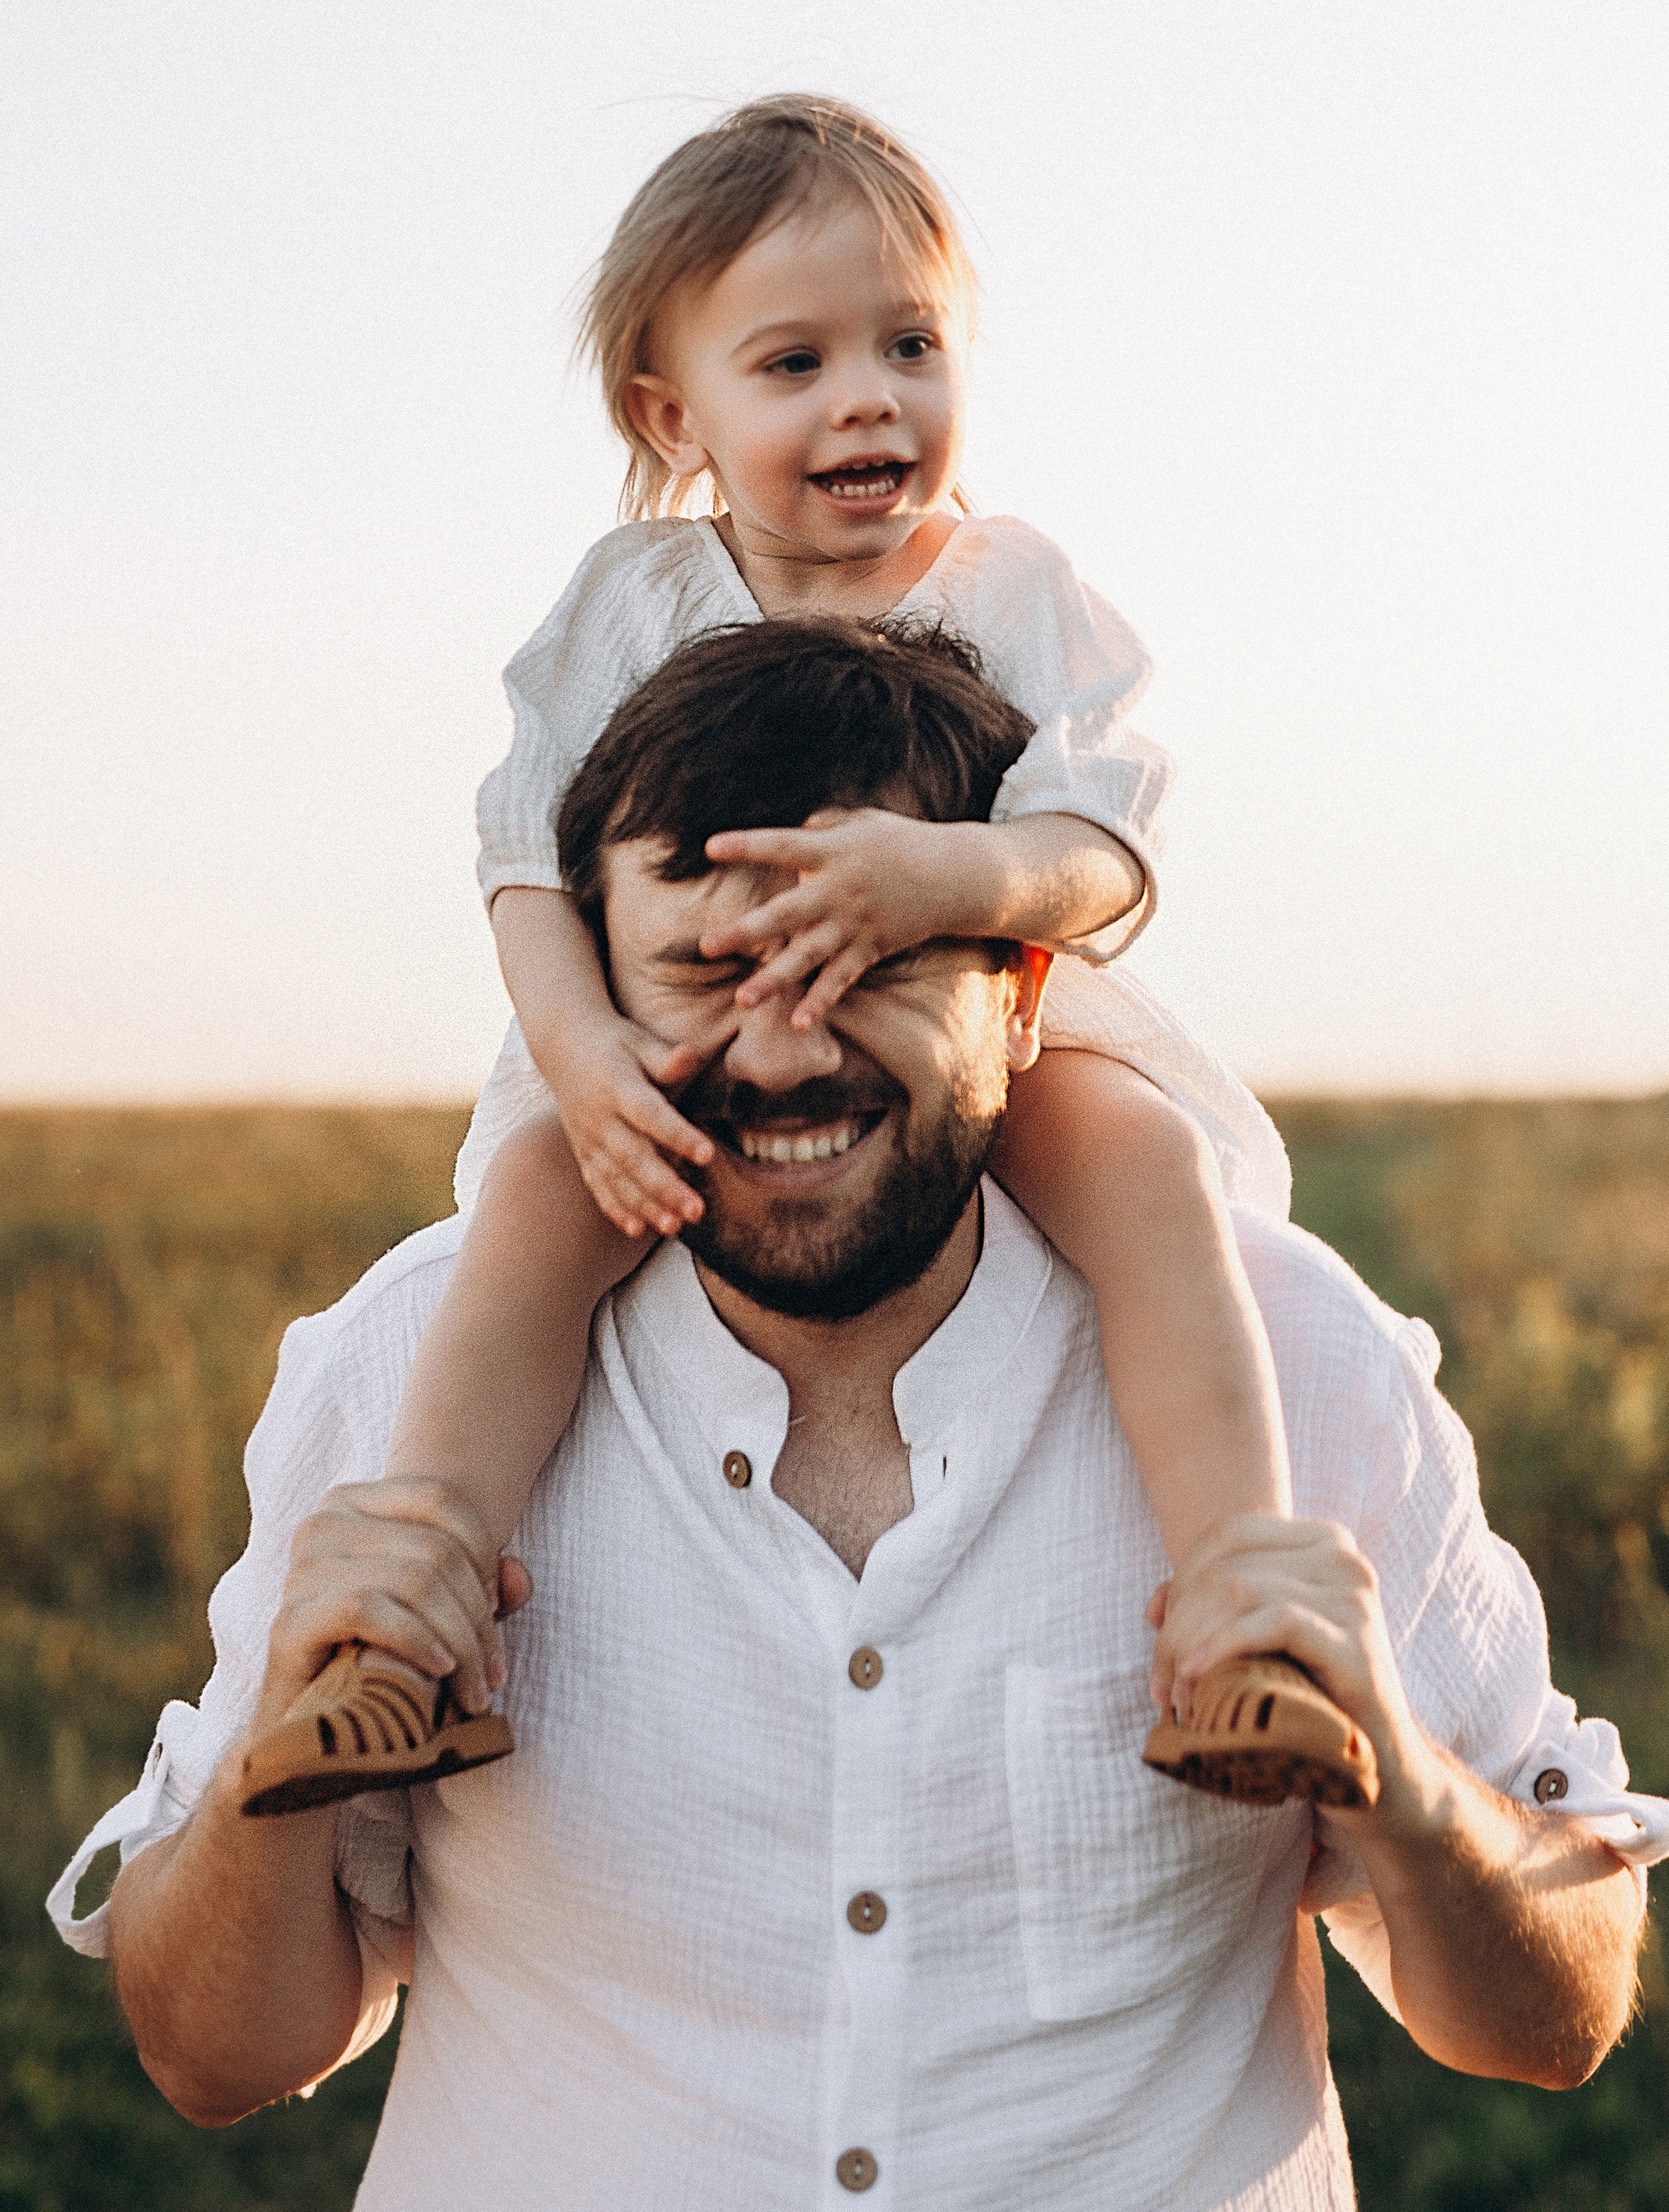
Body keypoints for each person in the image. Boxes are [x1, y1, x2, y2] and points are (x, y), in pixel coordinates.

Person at [52, 619, 1669, 2210]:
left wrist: (1401, 1778)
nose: (781, 1047)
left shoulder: (1294, 1354)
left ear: (1024, 995)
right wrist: (282, 1755)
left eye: (870, 964)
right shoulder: (406, 1366)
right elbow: (214, 2060)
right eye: (702, 970)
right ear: (587, 1005)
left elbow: (1554, 2021)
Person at [239, 90, 1368, 1818]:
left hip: (980, 1024)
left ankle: (1240, 1610)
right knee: (546, 1200)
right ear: (668, 409)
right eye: (794, 364)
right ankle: (416, 1614)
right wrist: (582, 1054)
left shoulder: (1012, 589)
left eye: (911, 345)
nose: (868, 396)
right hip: (663, 1028)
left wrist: (947, 877)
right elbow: (521, 865)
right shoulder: (630, 604)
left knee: (1139, 1163)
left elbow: (1098, 851)